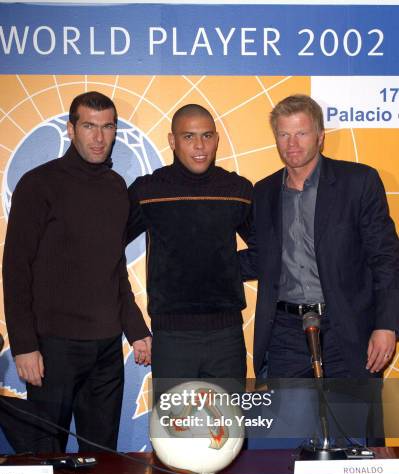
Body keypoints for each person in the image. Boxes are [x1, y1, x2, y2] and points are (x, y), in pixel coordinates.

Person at [3, 91, 151, 453]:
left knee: (102, 458)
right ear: (71, 129)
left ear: (115, 131)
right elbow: (15, 267)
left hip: (106, 349)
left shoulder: (117, 188)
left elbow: (114, 268)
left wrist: (136, 330)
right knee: (43, 456)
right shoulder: (39, 183)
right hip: (53, 349)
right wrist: (24, 345)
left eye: (107, 127)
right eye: (89, 126)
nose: (99, 137)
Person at [240, 94, 399, 381]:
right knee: (289, 425)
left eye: (301, 133)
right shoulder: (263, 192)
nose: (292, 144)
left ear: (320, 136)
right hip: (285, 336)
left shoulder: (358, 182)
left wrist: (386, 325)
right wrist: (202, 263)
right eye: (284, 134)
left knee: (349, 425)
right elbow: (259, 258)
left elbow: (385, 259)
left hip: (347, 332)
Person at [127, 104, 253, 380]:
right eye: (189, 137)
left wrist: (224, 267)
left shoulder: (238, 190)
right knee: (173, 425)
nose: (200, 146)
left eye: (207, 136)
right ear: (172, 140)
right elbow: (106, 250)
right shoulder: (148, 191)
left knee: (228, 424)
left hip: (227, 337)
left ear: (217, 139)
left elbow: (267, 252)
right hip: (171, 337)